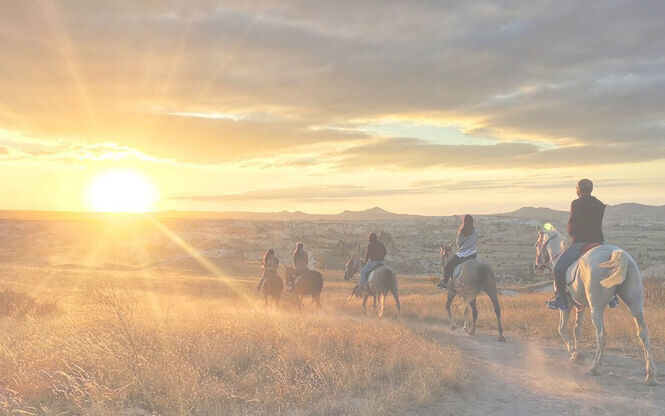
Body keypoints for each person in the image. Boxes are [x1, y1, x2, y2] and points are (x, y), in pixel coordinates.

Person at [547, 179, 605, 310]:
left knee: (558, 269)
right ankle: (612, 297)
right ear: (591, 189)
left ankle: (561, 300)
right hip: (599, 242)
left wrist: (570, 232)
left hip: (581, 242)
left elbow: (573, 225)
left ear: (578, 190)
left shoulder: (576, 203)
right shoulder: (600, 204)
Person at [437, 214, 478, 289]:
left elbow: (458, 243)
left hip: (462, 254)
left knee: (448, 266)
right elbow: (471, 243)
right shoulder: (475, 232)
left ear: (464, 222)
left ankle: (445, 282)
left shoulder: (461, 231)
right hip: (472, 255)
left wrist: (462, 247)